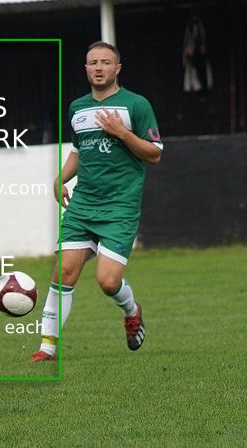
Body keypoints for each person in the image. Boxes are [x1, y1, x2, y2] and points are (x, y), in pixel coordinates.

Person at [31, 42, 163, 362]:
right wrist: (60, 179)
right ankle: (47, 348)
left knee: (107, 281)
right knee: (63, 272)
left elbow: (155, 153)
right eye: (93, 62)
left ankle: (131, 311)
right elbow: (79, 150)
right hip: (83, 204)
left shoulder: (136, 104)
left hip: (120, 204)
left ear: (118, 68)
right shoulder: (77, 108)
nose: (99, 67)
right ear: (86, 68)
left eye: (106, 62)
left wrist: (123, 133)